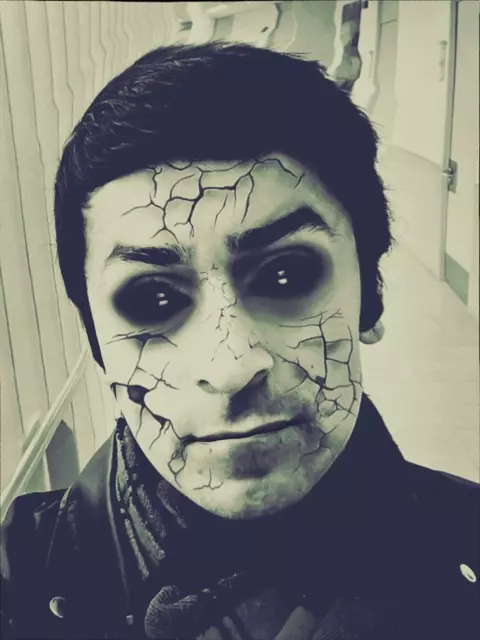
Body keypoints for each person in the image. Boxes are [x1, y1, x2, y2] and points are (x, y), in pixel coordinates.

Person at [1, 42, 478, 640]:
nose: (230, 366)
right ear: (98, 342)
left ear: (370, 297)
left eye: (286, 275)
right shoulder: (20, 583)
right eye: (153, 299)